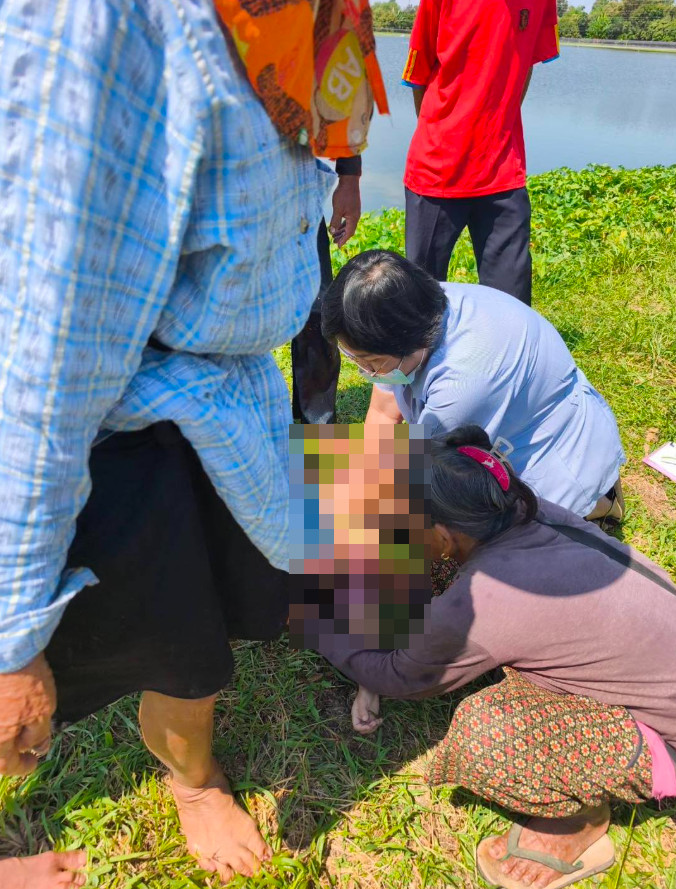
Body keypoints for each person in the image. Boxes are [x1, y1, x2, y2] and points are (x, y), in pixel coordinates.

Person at [0, 1, 385, 884]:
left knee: (195, 638)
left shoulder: (295, 16)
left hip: (221, 389)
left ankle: (191, 775)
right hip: (100, 416)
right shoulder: (102, 23)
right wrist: (13, 636)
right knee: (65, 673)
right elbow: (47, 355)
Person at [321, 425, 676, 889]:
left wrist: (327, 633)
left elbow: (400, 676)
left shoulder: (492, 594)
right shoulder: (521, 510)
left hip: (666, 735)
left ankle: (581, 822)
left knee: (488, 736)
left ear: (442, 535)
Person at [321, 250, 624, 524]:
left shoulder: (461, 385)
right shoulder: (408, 306)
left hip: (556, 456)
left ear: (407, 341)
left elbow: (423, 474)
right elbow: (384, 413)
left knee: (484, 533)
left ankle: (598, 503)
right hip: (514, 421)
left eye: (372, 362)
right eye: (355, 359)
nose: (367, 372)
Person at [402, 0, 560, 305]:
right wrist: (441, 134)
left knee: (512, 304)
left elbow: (526, 62)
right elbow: (419, 73)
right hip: (437, 171)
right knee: (420, 302)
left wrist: (497, 127)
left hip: (503, 170)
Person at [291, 157, 362, 424]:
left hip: (297, 194)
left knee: (317, 309)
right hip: (225, 197)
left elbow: (344, 131)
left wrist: (349, 178)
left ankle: (318, 428)